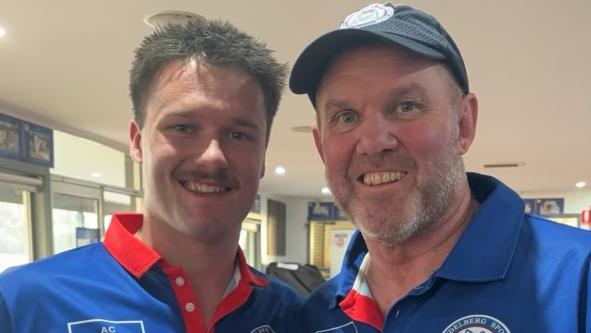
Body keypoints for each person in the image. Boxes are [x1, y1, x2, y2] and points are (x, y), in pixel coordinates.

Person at [289, 3, 591, 332]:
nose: (374, 142)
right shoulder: (316, 315)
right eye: (346, 117)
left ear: (463, 124)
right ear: (321, 146)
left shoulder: (579, 278)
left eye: (406, 106)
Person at [0, 19, 303, 333]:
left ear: (263, 154)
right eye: (183, 128)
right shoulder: (25, 301)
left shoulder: (288, 314)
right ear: (136, 142)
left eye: (238, 135)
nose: (213, 155)